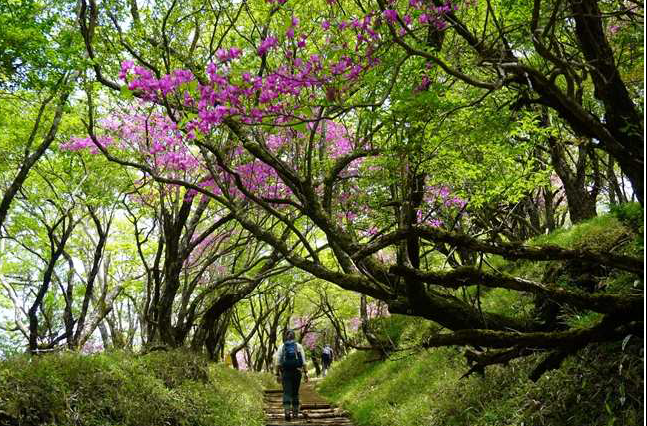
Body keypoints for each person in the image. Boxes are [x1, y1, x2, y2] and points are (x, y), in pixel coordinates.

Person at [274, 329, 308, 421]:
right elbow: (304, 361)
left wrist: (277, 374)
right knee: (295, 392)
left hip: (285, 372)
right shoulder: (298, 346)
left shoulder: (282, 347)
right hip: (297, 372)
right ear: (294, 337)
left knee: (286, 392)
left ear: (286, 337)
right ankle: (296, 413)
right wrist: (306, 373)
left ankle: (287, 411)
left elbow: (277, 362)